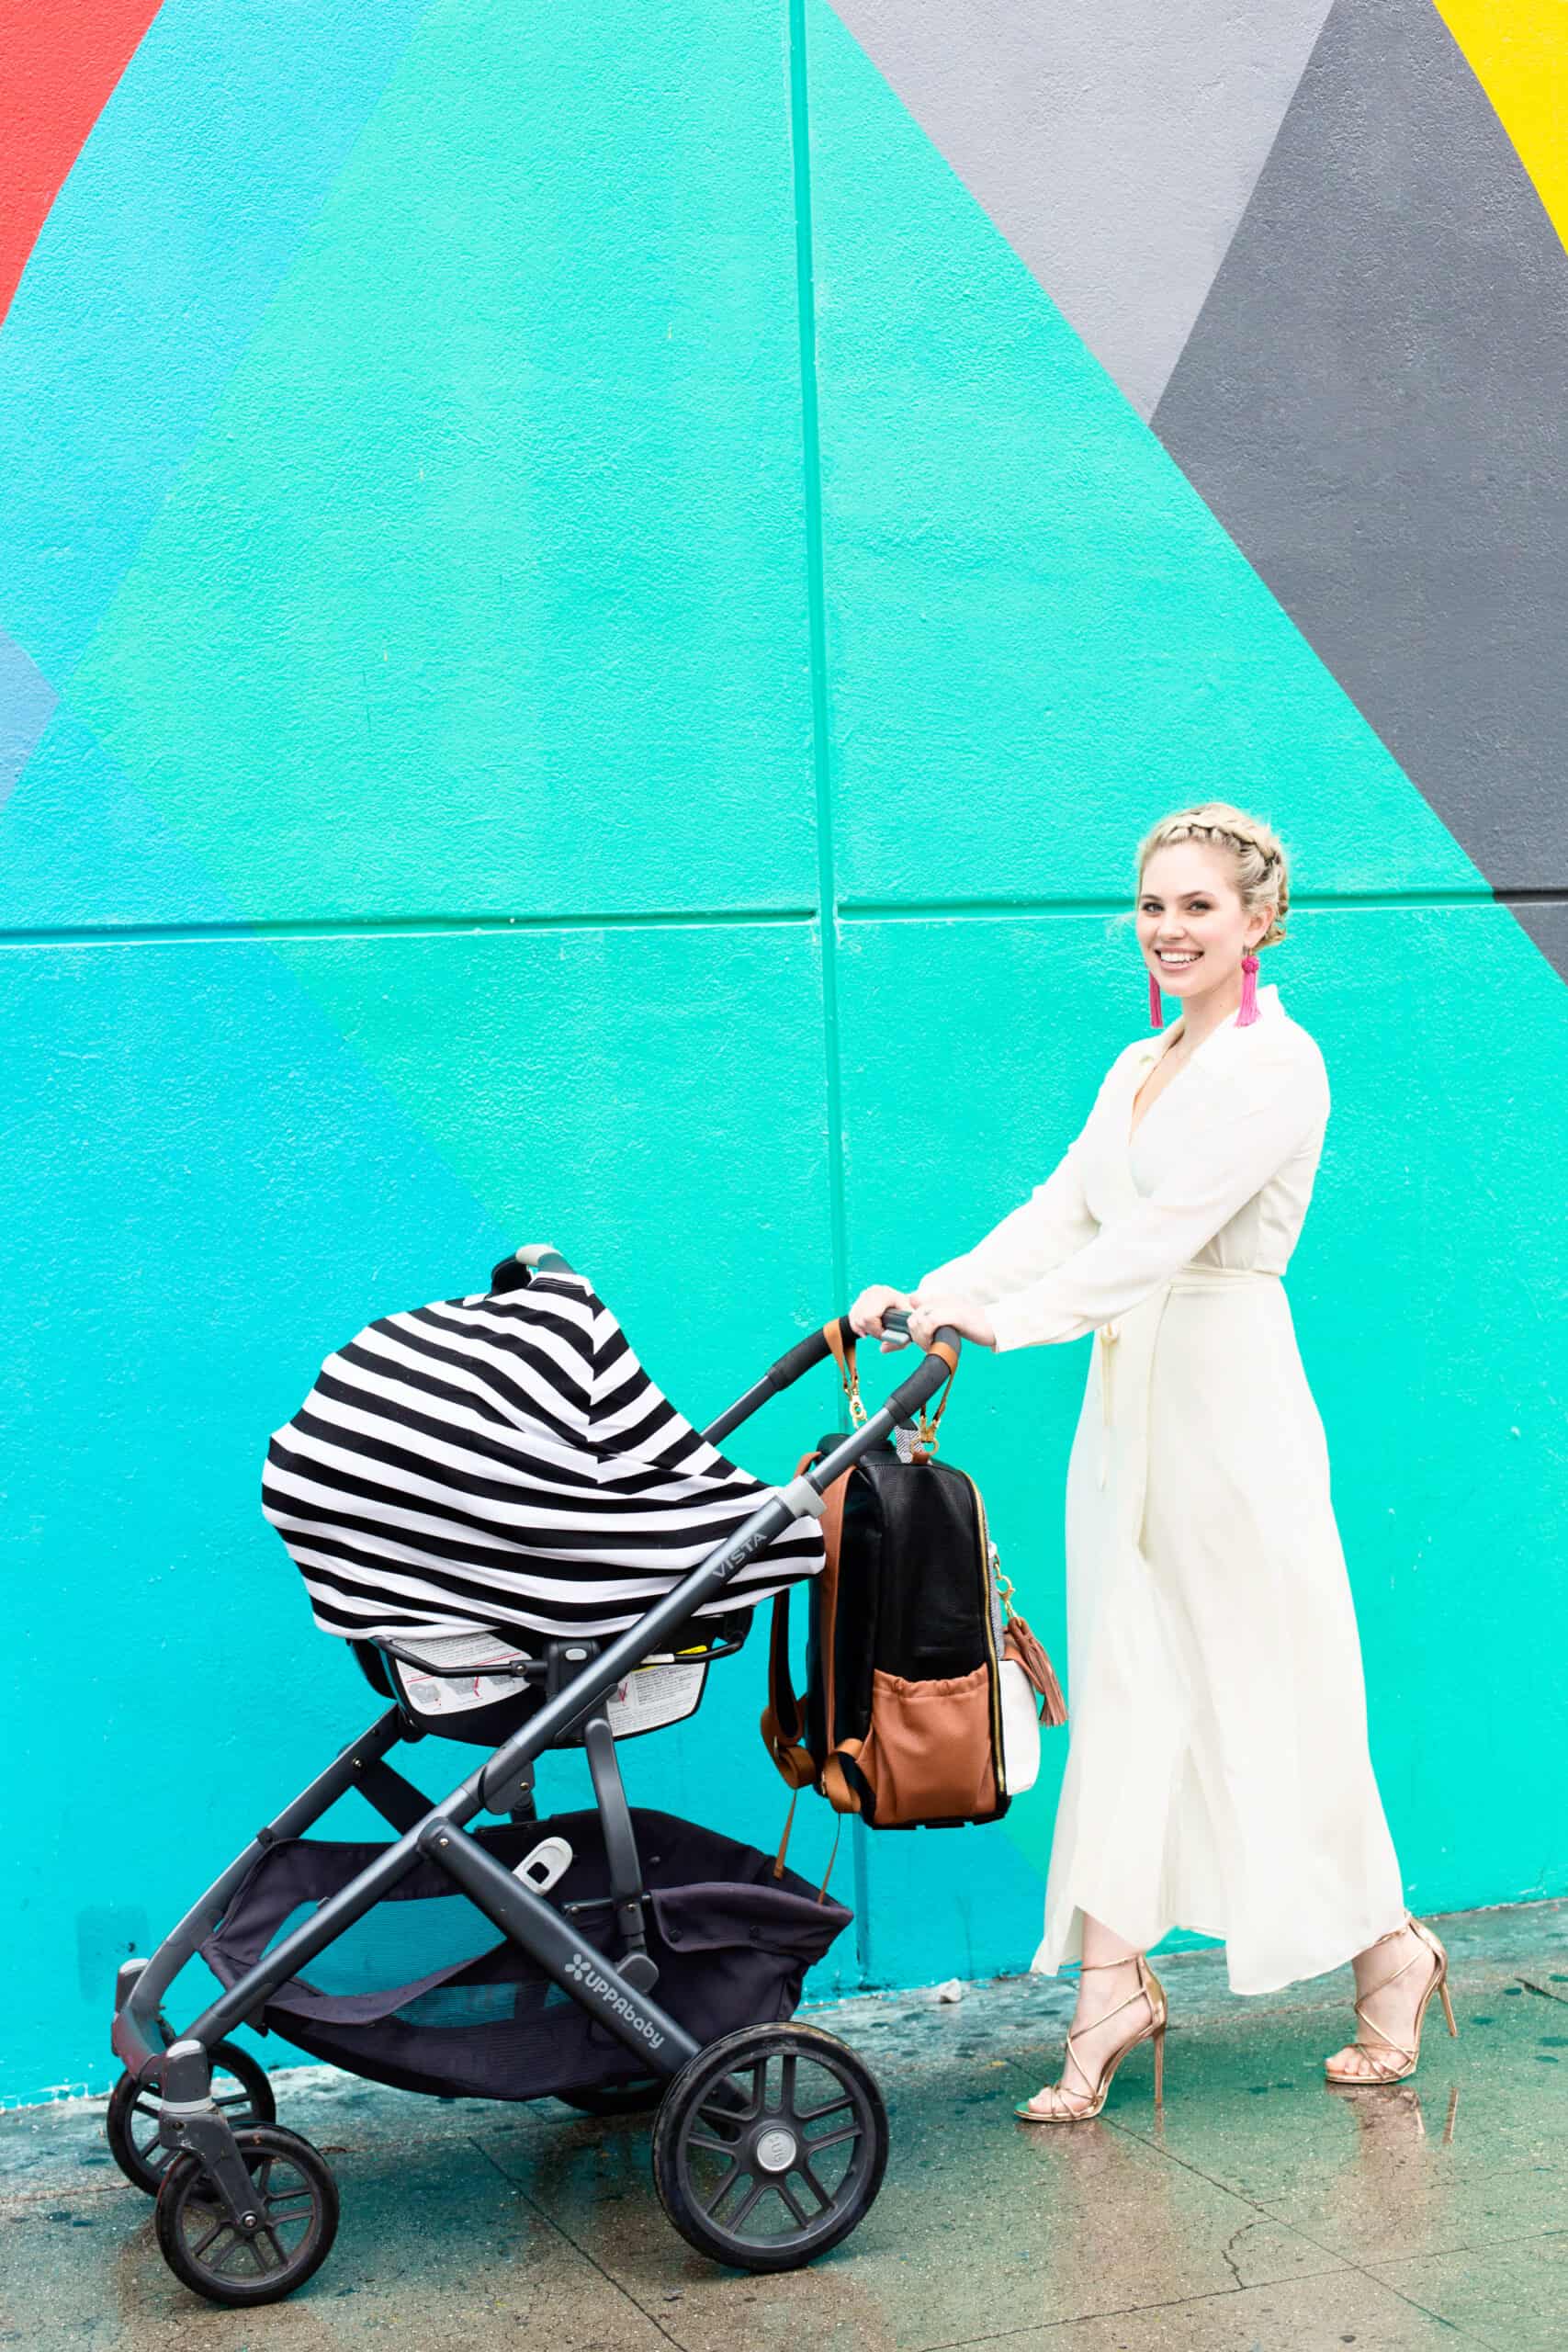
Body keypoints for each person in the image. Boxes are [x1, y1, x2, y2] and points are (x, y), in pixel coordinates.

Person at [850, 804, 1456, 2121]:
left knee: (1270, 1687)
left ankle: (1390, 1954)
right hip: (1130, 1407)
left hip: (1229, 1401)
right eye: (1155, 905)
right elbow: (1063, 1211)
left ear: (1258, 923)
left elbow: (1165, 1236)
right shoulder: (1135, 1069)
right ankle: (1113, 1982)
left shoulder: (1281, 1067)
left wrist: (1008, 1322)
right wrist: (934, 1295)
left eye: (1198, 906)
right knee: (1129, 1684)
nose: (1170, 929)